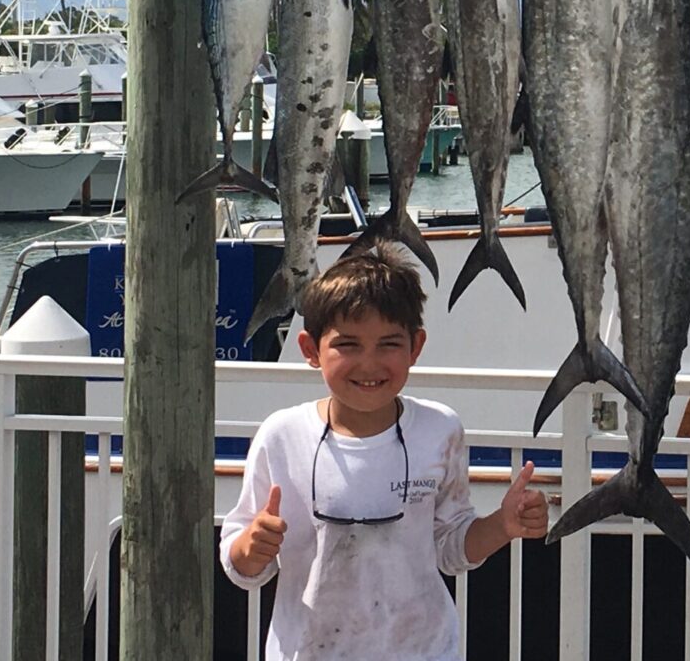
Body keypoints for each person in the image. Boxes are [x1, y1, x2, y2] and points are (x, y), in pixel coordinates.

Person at [220, 243, 548, 660]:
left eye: (389, 344)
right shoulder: (281, 435)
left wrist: (503, 524)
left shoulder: (440, 428)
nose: (369, 364)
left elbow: (451, 547)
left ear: (416, 347)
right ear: (310, 350)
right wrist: (252, 545)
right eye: (348, 345)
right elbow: (242, 565)